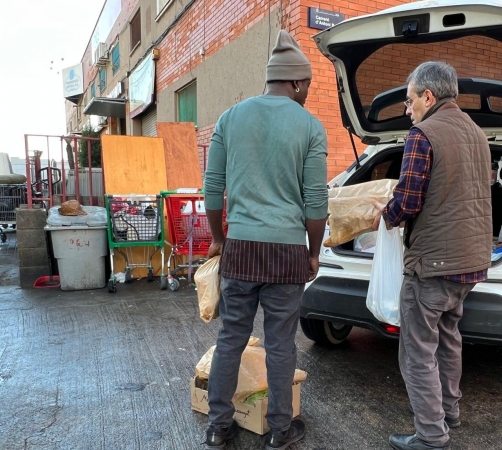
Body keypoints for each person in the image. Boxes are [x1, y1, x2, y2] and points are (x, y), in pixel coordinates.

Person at [202, 30, 328, 450]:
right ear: (294, 82)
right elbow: (316, 201)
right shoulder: (310, 126)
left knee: (231, 339)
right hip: (288, 251)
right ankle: (280, 430)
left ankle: (219, 426)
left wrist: (220, 239)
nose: (308, 93)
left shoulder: (229, 118)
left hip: (241, 247)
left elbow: (212, 188)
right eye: (307, 85)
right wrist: (314, 253)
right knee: (280, 343)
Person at [372, 62, 492, 450]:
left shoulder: (422, 135)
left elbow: (407, 201)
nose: (407, 110)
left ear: (428, 96)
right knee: (449, 338)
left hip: (433, 265)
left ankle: (430, 435)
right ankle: (449, 412)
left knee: (417, 351)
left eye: (409, 101)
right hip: (471, 263)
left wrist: (382, 215)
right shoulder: (478, 134)